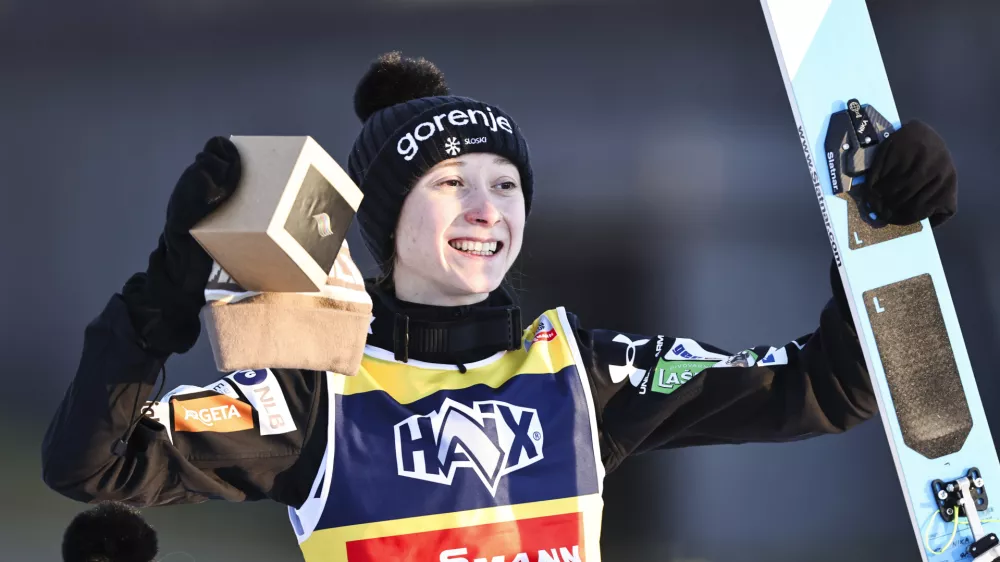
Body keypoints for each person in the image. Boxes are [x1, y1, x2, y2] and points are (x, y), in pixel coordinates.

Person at [41, 52, 959, 562]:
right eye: (451, 183)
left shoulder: (586, 374)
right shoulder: (318, 399)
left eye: (506, 184)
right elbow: (93, 465)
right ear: (389, 219)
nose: (487, 209)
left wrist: (884, 227)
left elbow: (832, 388)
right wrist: (170, 275)